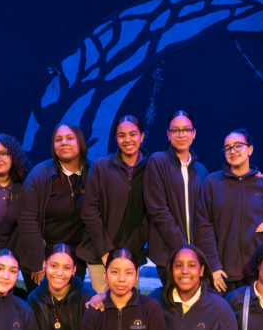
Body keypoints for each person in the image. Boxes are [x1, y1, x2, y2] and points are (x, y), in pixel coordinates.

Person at [196, 129, 263, 295]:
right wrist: (213, 266)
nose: (232, 151)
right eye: (228, 148)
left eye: (238, 146)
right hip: (222, 273)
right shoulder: (212, 182)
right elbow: (203, 226)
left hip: (255, 272)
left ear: (250, 150)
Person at [77, 115, 148, 293]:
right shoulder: (101, 166)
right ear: (116, 138)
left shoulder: (152, 169)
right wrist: (105, 253)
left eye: (133, 134)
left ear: (142, 136)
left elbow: (151, 216)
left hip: (131, 254)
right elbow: (89, 212)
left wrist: (127, 256)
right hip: (99, 253)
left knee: (129, 308)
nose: (127, 140)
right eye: (121, 135)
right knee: (102, 309)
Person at [17, 124, 89, 293]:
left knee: (71, 311)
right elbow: (27, 218)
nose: (64, 143)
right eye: (58, 140)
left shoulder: (93, 172)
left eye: (70, 138)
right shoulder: (40, 174)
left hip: (76, 257)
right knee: (43, 311)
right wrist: (38, 261)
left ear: (81, 143)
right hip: (41, 256)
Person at [144, 110, 208, 284]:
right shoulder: (157, 162)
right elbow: (158, 210)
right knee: (172, 306)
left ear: (193, 134)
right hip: (168, 253)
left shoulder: (201, 170)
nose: (181, 134)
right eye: (175, 130)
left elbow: (207, 212)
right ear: (168, 134)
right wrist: (184, 249)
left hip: (196, 254)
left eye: (186, 130)